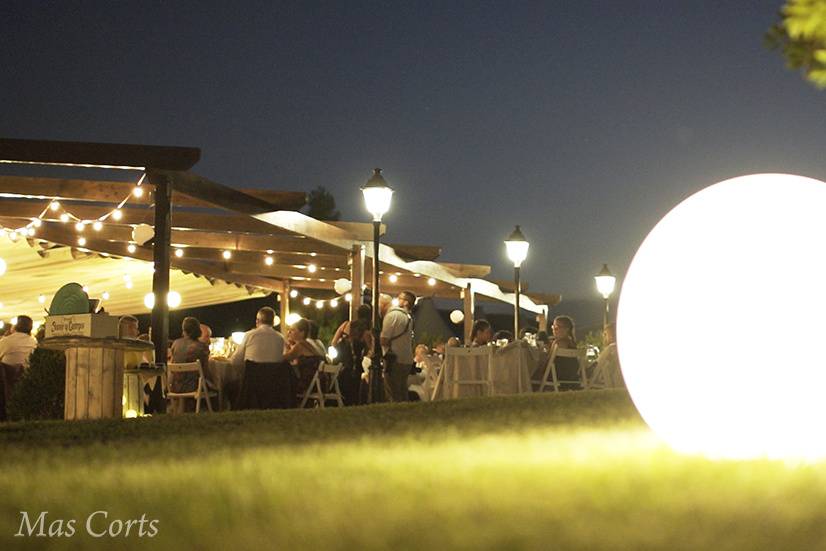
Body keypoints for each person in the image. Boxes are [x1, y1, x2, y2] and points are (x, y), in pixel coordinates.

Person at [331, 304, 373, 405]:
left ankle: (340, 402)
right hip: (356, 361)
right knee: (354, 387)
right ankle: (352, 404)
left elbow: (333, 342)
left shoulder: (346, 325)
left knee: (341, 382)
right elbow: (370, 349)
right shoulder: (366, 331)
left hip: (342, 359)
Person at [0, 316, 37, 421]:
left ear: (15, 326)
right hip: (26, 381)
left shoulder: (7, 341)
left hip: (6, 382)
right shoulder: (33, 342)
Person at [380, 290, 415, 402]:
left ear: (406, 303)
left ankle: (394, 413)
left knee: (392, 392)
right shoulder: (408, 317)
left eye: (400, 297)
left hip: (394, 358)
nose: (396, 299)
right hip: (406, 359)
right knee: (402, 390)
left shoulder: (393, 315)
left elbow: (384, 340)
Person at [284, 318, 324, 404]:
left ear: (302, 333)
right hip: (321, 383)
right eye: (289, 330)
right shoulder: (309, 345)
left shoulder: (300, 345)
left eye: (292, 330)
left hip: (308, 384)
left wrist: (286, 347)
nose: (289, 333)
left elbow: (285, 358)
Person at [169, 316, 210, 394]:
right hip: (194, 388)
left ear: (184, 330)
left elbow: (172, 364)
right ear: (198, 330)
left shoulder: (175, 344)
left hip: (175, 388)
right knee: (218, 384)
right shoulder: (202, 347)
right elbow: (205, 372)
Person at [548, 315, 580, 389]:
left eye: (557, 327)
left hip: (557, 376)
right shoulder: (572, 343)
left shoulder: (557, 343)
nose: (554, 330)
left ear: (567, 329)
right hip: (572, 377)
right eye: (553, 327)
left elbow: (549, 361)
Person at [595, 322, 624, 388]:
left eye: (605, 334)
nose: (603, 337)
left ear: (612, 335)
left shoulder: (611, 348)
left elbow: (598, 364)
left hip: (611, 382)